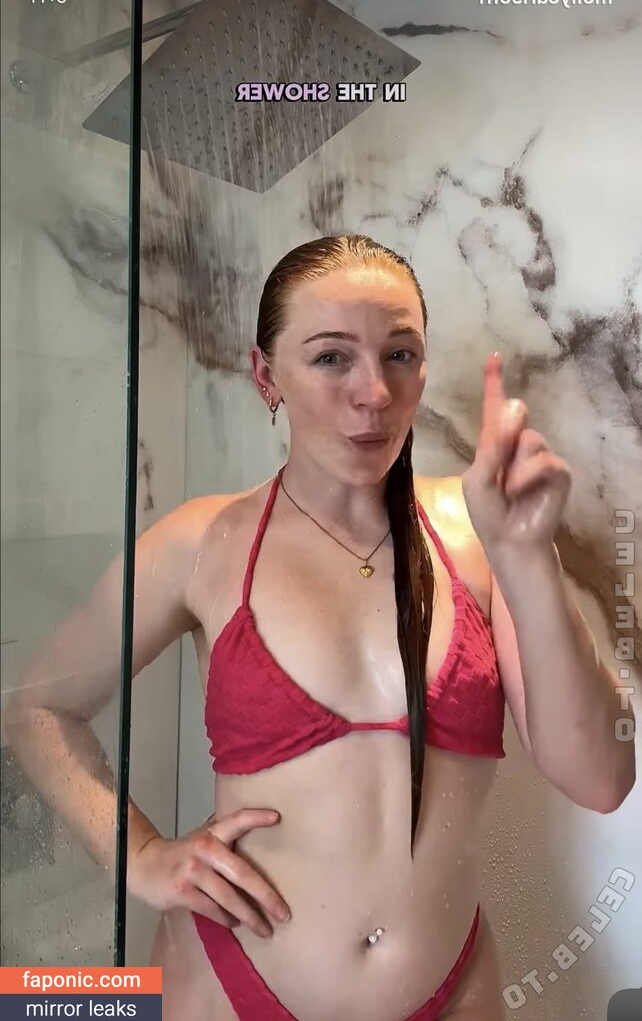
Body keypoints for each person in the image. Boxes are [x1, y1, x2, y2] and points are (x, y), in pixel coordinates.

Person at [8, 234, 628, 1021]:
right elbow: (37, 707)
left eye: (399, 355)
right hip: (226, 983)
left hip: (450, 988)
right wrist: (139, 856)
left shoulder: (484, 535)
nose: (374, 392)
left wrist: (527, 556)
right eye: (332, 358)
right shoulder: (201, 543)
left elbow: (600, 780)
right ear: (266, 375)